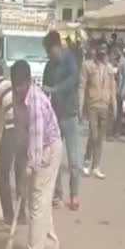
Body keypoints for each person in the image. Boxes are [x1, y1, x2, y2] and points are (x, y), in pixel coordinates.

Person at [11, 60, 62, 249]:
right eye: (14, 84)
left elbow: (38, 145)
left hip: (48, 149)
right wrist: (22, 162)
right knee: (40, 198)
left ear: (29, 82)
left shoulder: (37, 104)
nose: (17, 89)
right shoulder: (19, 98)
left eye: (20, 85)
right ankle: (49, 243)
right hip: (38, 148)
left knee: (37, 202)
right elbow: (24, 134)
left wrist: (28, 171)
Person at [42, 30, 81, 211]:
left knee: (74, 161)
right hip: (55, 116)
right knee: (55, 158)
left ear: (57, 47)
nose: (49, 55)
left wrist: (55, 89)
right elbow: (44, 91)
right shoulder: (49, 66)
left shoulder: (70, 60)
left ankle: (74, 195)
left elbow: (73, 80)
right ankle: (57, 194)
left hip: (70, 116)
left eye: (50, 51)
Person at [0, 63, 24, 226]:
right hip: (24, 127)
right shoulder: (10, 83)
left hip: (11, 129)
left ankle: (8, 215)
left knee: (3, 172)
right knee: (20, 172)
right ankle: (22, 215)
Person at [80, 42, 115, 179]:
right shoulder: (88, 66)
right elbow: (82, 86)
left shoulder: (109, 69)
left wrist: (114, 105)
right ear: (96, 52)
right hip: (93, 105)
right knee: (93, 135)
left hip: (104, 106)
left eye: (104, 51)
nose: (102, 53)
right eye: (100, 50)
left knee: (100, 138)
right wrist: (80, 104)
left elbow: (112, 87)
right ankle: (87, 161)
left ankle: (96, 166)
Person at [111, 47, 125, 138]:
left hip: (120, 90)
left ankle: (117, 130)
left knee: (119, 111)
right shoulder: (115, 61)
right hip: (113, 88)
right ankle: (113, 129)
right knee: (113, 110)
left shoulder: (124, 63)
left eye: (116, 53)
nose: (114, 55)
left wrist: (122, 91)